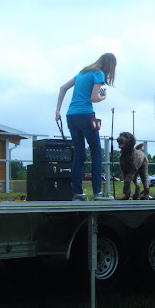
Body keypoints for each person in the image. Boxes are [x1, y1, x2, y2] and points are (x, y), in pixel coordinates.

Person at [55, 53, 117, 201]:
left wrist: (58, 110)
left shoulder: (83, 71)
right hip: (86, 115)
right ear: (110, 66)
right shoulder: (99, 73)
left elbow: (63, 88)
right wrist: (104, 96)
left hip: (71, 116)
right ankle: (97, 193)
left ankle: (77, 193)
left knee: (79, 155)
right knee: (96, 152)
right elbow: (93, 98)